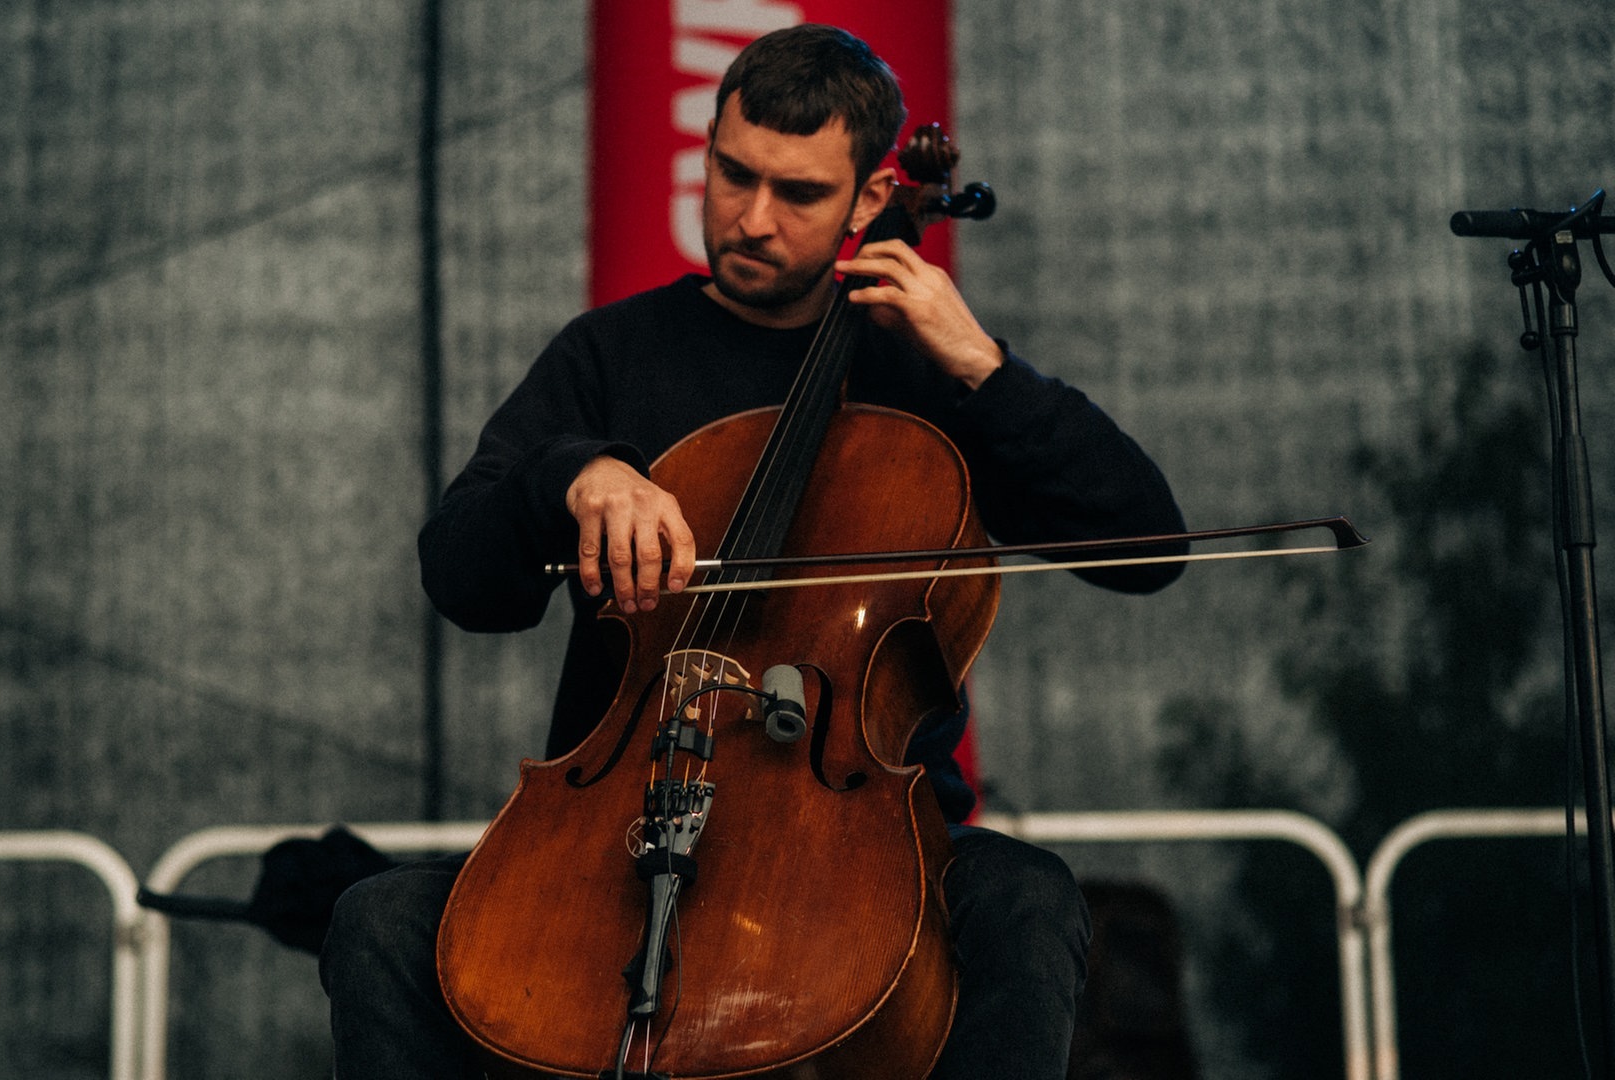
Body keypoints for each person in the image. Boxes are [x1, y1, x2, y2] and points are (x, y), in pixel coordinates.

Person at [321, 23, 1186, 1080]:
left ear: (873, 201)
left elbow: (1147, 548)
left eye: (800, 194)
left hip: (869, 843)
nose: (752, 219)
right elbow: (461, 575)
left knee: (1028, 901)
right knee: (377, 923)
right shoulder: (608, 356)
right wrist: (571, 475)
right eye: (732, 174)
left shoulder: (924, 377)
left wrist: (985, 371)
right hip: (618, 826)